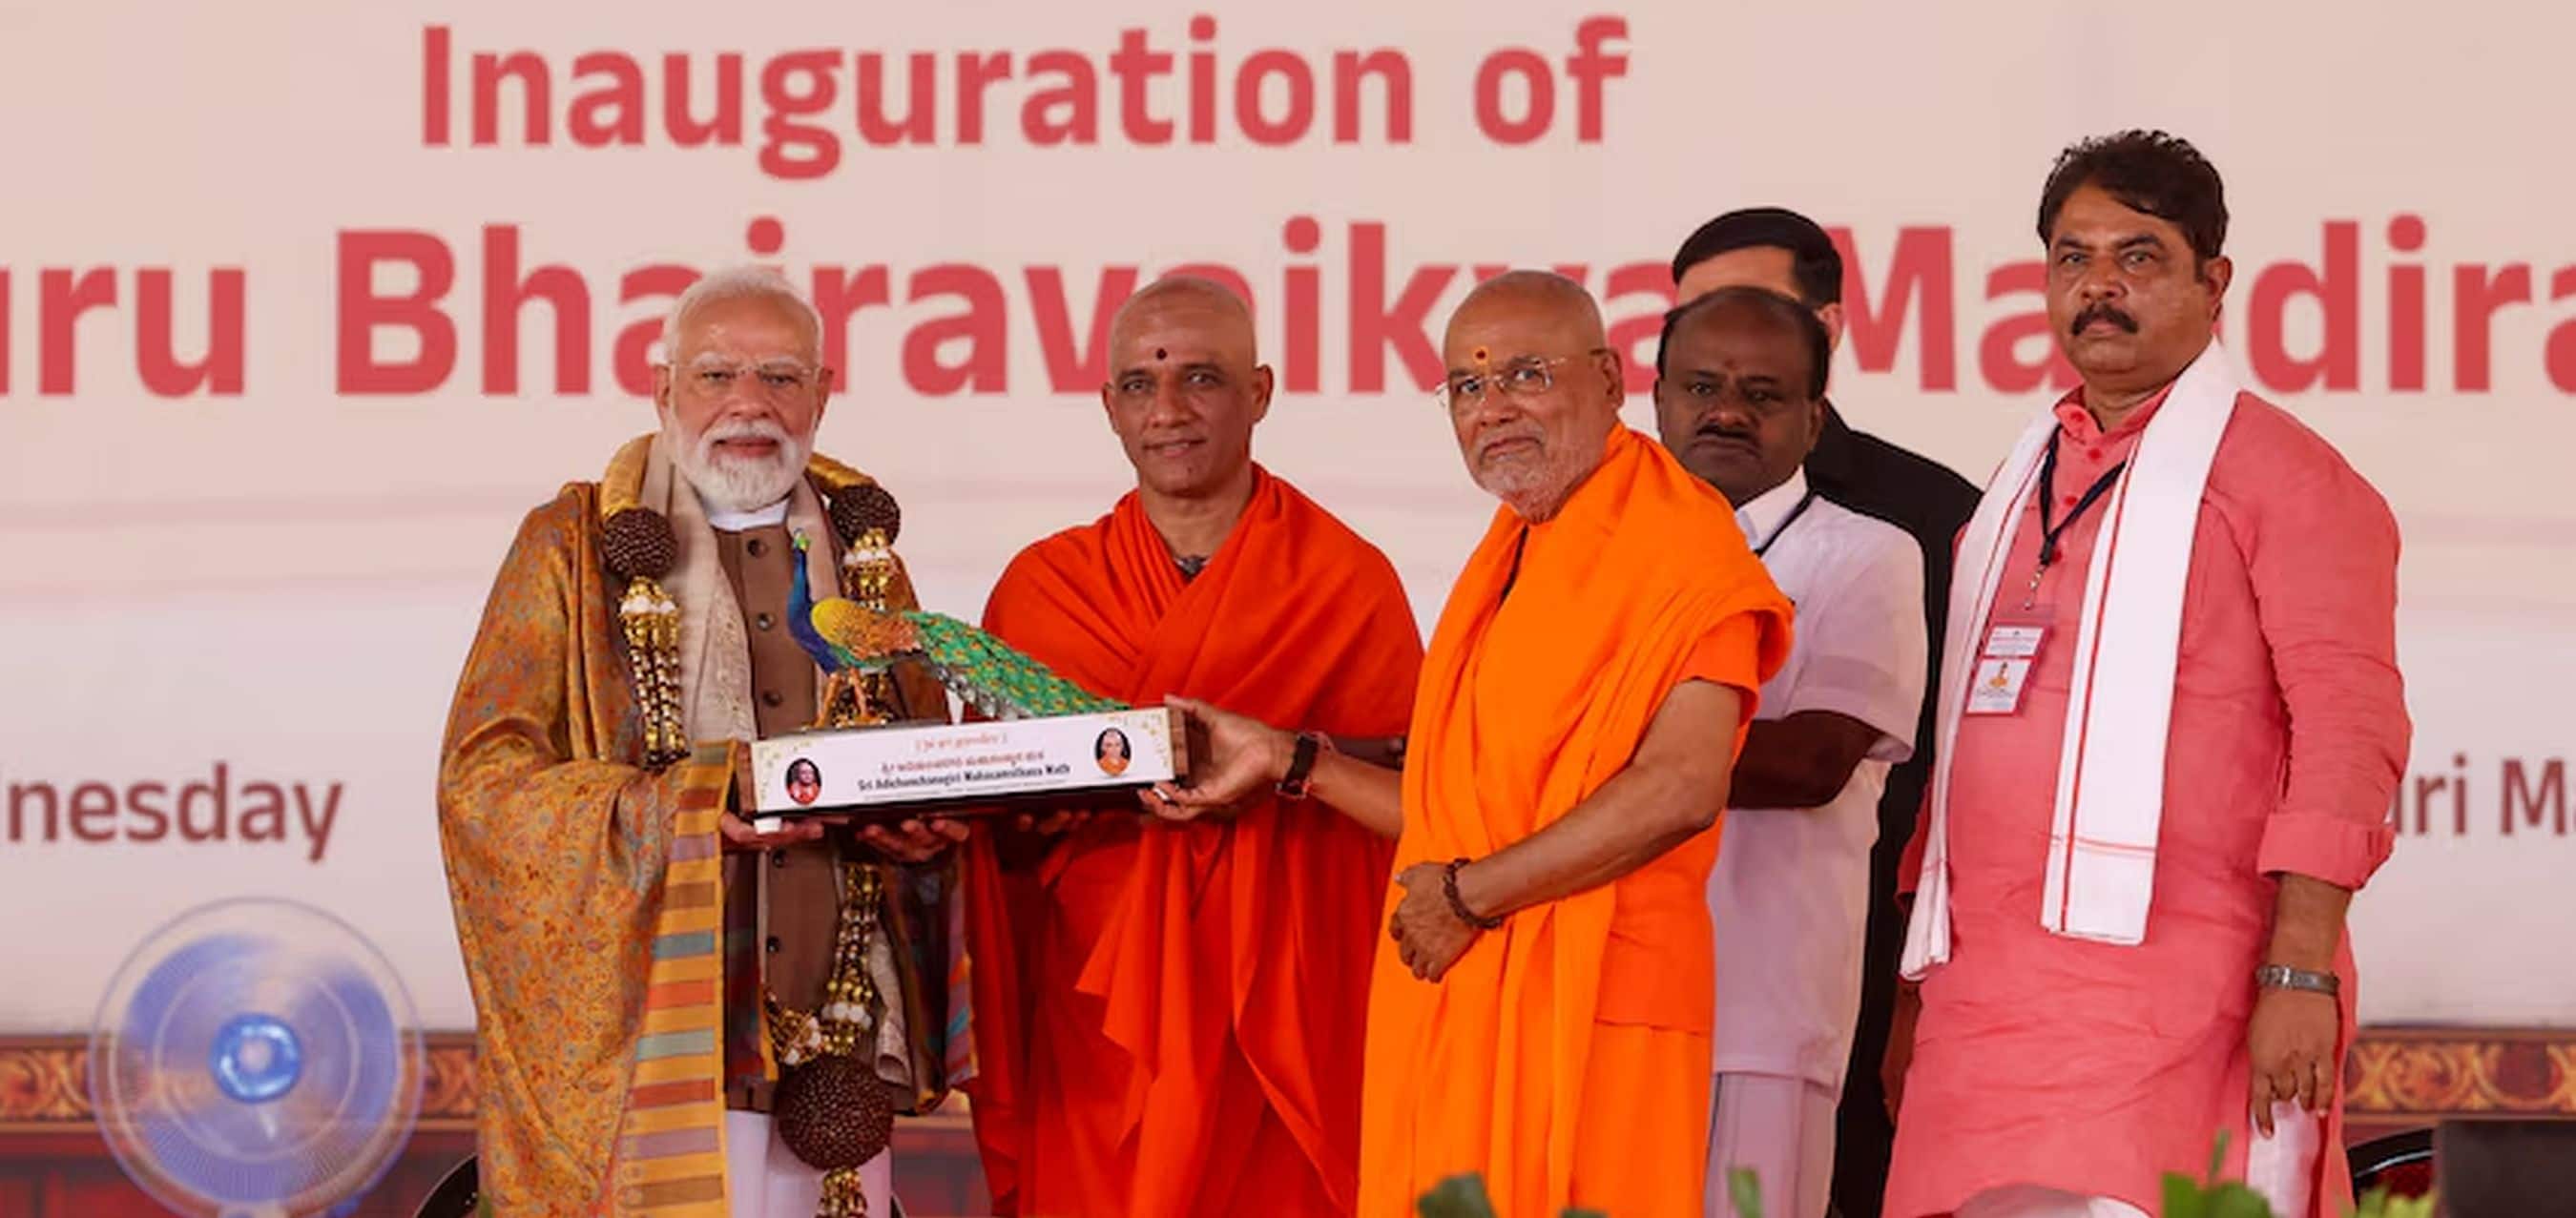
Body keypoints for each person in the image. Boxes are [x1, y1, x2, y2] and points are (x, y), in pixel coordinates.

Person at [1885, 132, 2408, 1218]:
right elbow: (1965, 747)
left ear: (2214, 282)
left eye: (2139, 255)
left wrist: (2301, 969)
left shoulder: (2290, 480)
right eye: (2073, 259)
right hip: (1982, 1012)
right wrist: (1909, 994)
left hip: (2186, 1004)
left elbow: (2349, 736)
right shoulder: (2022, 473)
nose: (2100, 288)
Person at [438, 266, 966, 1217]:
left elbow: (921, 755)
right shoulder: (571, 546)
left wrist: (922, 831)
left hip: (830, 1050)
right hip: (649, 1053)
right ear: (662, 388)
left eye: (780, 375)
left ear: (823, 391)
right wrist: (679, 808)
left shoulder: (870, 564)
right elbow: (482, 784)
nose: (750, 404)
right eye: (716, 374)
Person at [1266, 270, 1793, 1218]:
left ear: (1608, 379)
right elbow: (1461, 817)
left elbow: (1681, 786)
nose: (1493, 407)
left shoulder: (1680, 544)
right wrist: (1294, 763)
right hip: (1467, 992)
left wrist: (1469, 894)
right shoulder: (1513, 547)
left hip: (1594, 1003)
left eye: (1525, 375)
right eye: (1467, 388)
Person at [958, 275, 1424, 1218]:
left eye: (1200, 378)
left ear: (1259, 392)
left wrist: (1291, 763)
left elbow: (1414, 797)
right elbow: (991, 832)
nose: (1167, 411)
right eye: (1138, 385)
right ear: (1108, 407)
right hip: (1101, 1023)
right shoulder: (1044, 591)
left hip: (1283, 1014)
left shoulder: (1346, 581)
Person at [1669, 208, 1980, 1217]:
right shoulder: (1595, 543)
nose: (1726, 411)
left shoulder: (1886, 539)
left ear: (1813, 411)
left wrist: (1580, 749)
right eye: (1701, 385)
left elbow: (1811, 764)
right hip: (1602, 993)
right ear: (1659, 396)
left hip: (1771, 1002)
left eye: (1761, 392)